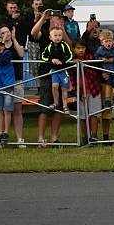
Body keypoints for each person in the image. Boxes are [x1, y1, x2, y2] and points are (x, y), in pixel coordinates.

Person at [30, 9, 67, 146]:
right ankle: (41, 138)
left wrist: (63, 30)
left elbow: (70, 46)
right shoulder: (45, 35)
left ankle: (54, 137)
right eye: (54, 20)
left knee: (58, 108)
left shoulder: (61, 35)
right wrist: (42, 19)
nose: (56, 22)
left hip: (61, 73)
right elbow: (34, 33)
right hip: (47, 75)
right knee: (45, 107)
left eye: (59, 20)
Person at [0, 25, 26, 148]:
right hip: (3, 82)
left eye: (7, 32)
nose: (6, 34)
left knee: (17, 111)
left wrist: (14, 39)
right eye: (3, 32)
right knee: (3, 110)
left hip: (16, 80)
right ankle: (3, 136)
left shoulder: (16, 44)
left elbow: (21, 54)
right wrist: (1, 43)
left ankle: (20, 138)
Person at [71, 39, 102, 145]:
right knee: (82, 116)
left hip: (93, 89)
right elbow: (70, 76)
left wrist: (83, 65)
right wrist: (74, 64)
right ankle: (84, 138)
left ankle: (94, 136)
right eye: (78, 48)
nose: (81, 50)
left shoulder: (91, 58)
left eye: (83, 48)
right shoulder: (70, 60)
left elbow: (95, 74)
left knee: (94, 113)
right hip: (79, 91)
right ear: (74, 49)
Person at [40, 27, 74, 114]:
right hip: (54, 71)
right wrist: (51, 60)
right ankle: (55, 102)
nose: (57, 37)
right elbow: (43, 55)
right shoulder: (49, 46)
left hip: (63, 70)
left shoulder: (64, 45)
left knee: (64, 89)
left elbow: (70, 55)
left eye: (59, 35)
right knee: (54, 86)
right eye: (55, 35)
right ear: (50, 37)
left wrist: (62, 62)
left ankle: (65, 106)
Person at [93, 29, 114, 115]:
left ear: (113, 41)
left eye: (110, 41)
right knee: (108, 84)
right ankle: (107, 99)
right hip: (106, 71)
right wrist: (101, 59)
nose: (109, 43)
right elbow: (95, 57)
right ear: (102, 42)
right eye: (106, 41)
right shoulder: (100, 50)